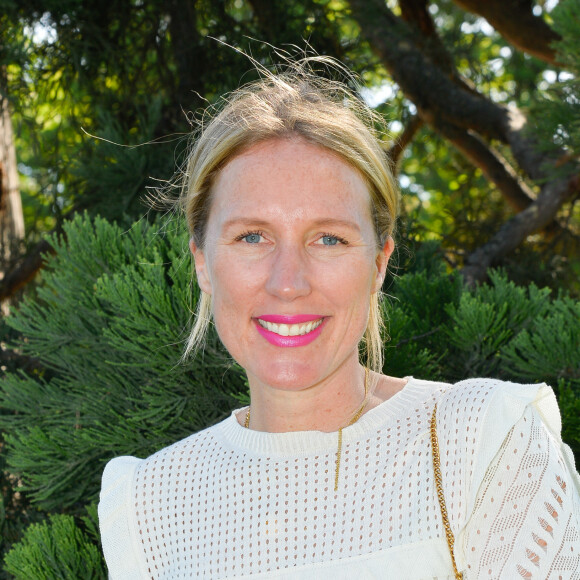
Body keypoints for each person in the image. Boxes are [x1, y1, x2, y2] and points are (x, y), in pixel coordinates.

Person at [98, 59, 580, 579]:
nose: (288, 281)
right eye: (251, 237)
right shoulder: (150, 504)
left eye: (329, 238)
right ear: (202, 262)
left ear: (378, 263)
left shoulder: (486, 443)